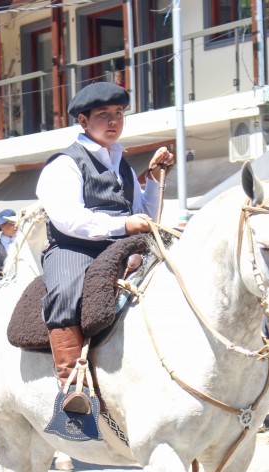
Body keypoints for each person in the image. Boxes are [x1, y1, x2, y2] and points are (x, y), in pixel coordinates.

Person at [35, 81, 174, 414]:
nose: (113, 121)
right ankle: (72, 389)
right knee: (65, 291)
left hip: (124, 246)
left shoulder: (123, 165)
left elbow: (146, 214)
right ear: (83, 122)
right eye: (103, 115)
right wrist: (123, 225)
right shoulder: (64, 163)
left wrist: (154, 178)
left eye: (119, 114)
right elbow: (69, 219)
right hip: (74, 249)